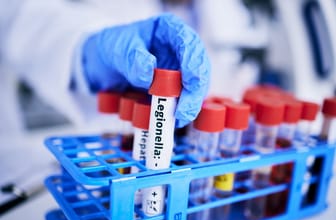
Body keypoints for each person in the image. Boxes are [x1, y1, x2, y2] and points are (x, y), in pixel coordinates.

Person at [0, 0, 263, 134]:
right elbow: (20, 18)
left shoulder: (232, 13)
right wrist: (89, 52)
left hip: (189, 158)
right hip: (108, 143)